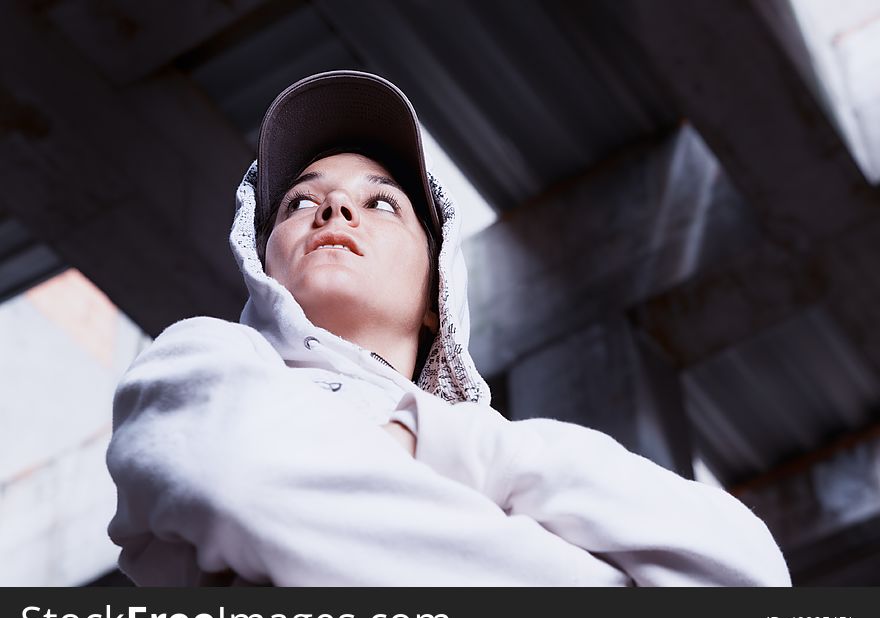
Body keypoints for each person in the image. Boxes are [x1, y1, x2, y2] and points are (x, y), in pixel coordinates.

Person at [106, 70, 792, 586]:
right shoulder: (199, 363)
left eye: (381, 202)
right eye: (299, 200)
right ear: (264, 264)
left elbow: (750, 574)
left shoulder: (512, 448)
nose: (336, 205)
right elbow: (243, 489)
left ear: (437, 292)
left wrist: (444, 438)